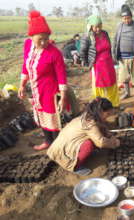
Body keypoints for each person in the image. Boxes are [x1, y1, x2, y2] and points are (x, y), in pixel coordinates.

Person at [18, 11, 68, 151]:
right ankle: (47, 141)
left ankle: (57, 146)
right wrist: (22, 85)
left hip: (50, 92)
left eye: (46, 39)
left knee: (53, 121)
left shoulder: (54, 53)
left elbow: (61, 76)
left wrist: (63, 97)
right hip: (35, 90)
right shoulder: (28, 45)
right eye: (40, 39)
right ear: (31, 37)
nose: (44, 42)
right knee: (40, 117)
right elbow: (25, 65)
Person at [47, 98, 120, 176]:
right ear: (100, 112)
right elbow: (101, 142)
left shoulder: (89, 115)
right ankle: (75, 166)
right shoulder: (89, 123)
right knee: (89, 145)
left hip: (62, 145)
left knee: (96, 136)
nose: (108, 117)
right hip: (60, 151)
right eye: (107, 114)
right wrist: (114, 143)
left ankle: (78, 156)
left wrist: (110, 135)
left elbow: (101, 127)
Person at [80, 15, 119, 108]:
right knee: (100, 86)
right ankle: (100, 106)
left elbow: (109, 46)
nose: (98, 29)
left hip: (108, 63)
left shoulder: (105, 33)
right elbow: (82, 51)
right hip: (98, 65)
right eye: (95, 27)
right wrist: (86, 63)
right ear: (91, 27)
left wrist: (112, 58)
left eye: (100, 26)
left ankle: (114, 104)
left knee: (112, 83)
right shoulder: (87, 37)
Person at [112, 4, 134, 100]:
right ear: (122, 18)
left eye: (128, 18)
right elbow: (115, 41)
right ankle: (127, 93)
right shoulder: (119, 26)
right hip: (122, 57)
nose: (126, 20)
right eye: (124, 18)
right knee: (124, 78)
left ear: (131, 17)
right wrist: (114, 54)